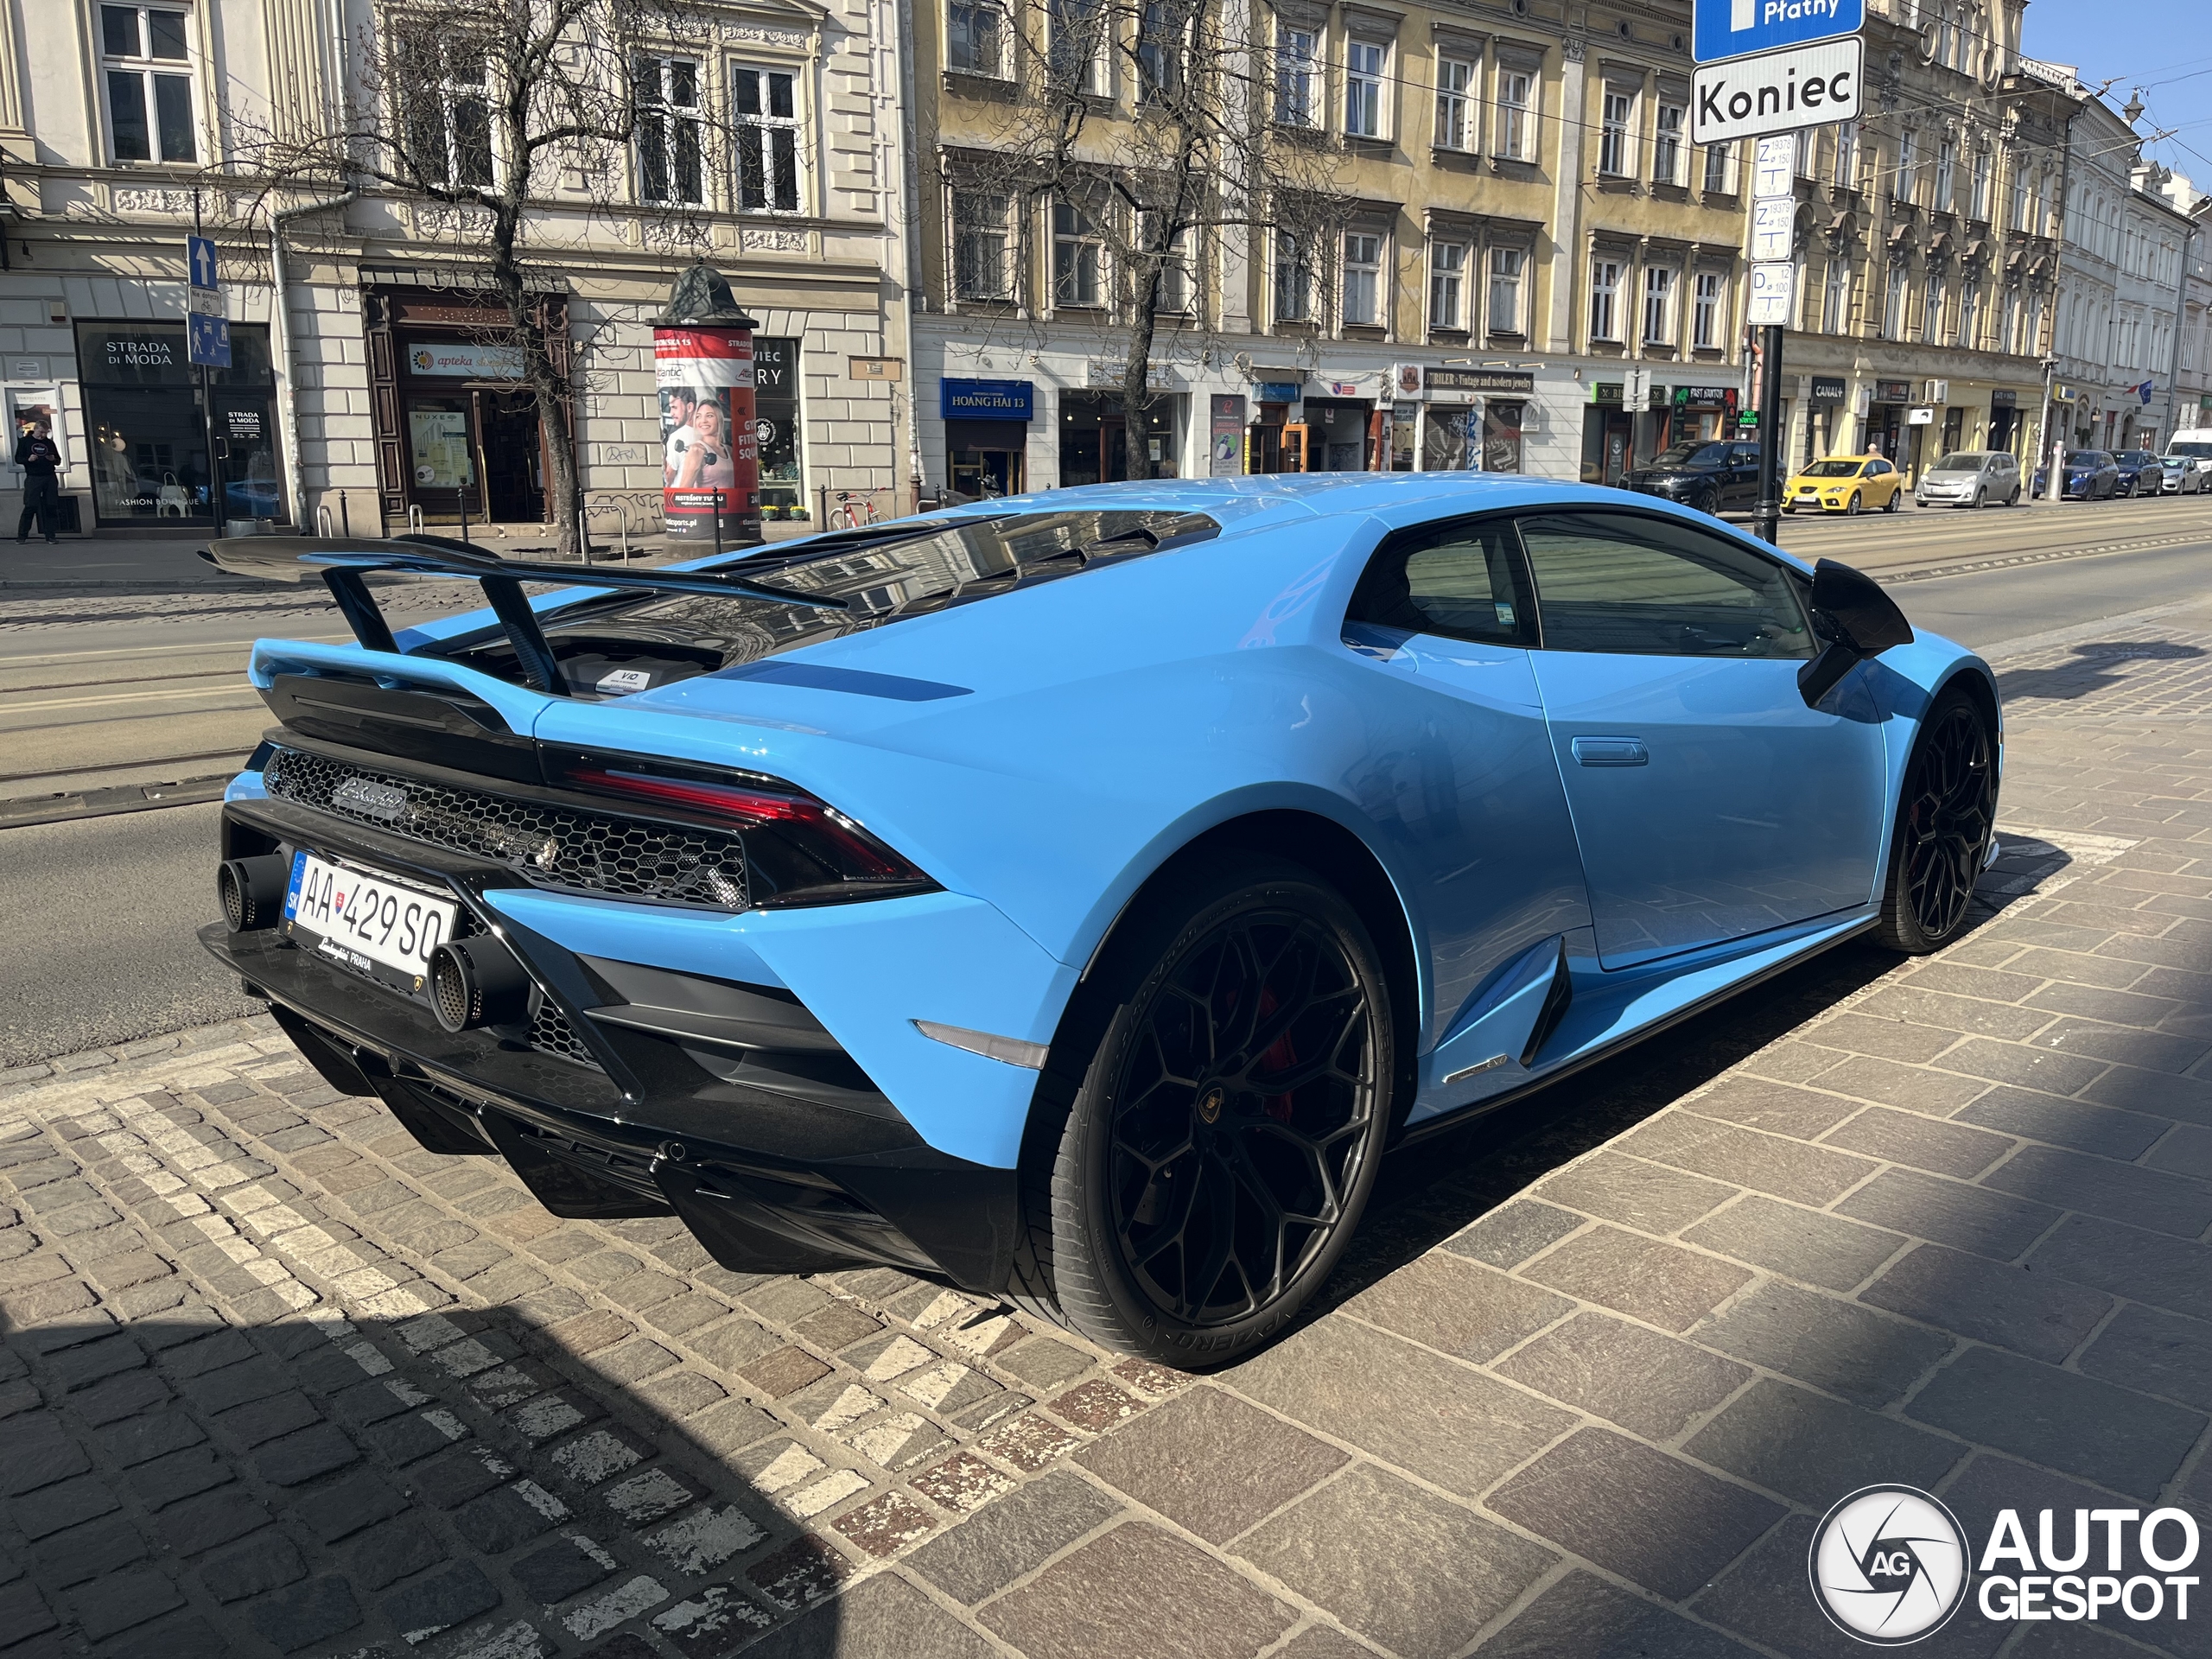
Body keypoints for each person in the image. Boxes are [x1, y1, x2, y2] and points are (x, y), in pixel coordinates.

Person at [672, 397, 735, 491]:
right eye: (698, 416)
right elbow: (683, 491)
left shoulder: (728, 450)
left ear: (719, 419)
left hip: (731, 500)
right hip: (708, 500)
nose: (703, 421)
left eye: (709, 416)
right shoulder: (697, 450)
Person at [15, 418, 61, 543]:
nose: (43, 435)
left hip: (49, 476)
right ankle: (22, 536)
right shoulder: (25, 441)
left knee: (51, 506)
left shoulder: (49, 443)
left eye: (45, 433)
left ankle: (50, 536)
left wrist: (53, 459)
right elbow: (18, 458)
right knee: (30, 506)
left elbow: (58, 460)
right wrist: (28, 459)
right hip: (33, 477)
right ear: (35, 430)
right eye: (41, 432)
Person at [661, 385, 700, 486]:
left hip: (680, 493)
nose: (671, 413)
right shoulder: (707, 434)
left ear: (689, 407)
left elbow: (668, 478)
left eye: (674, 407)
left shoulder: (677, 437)